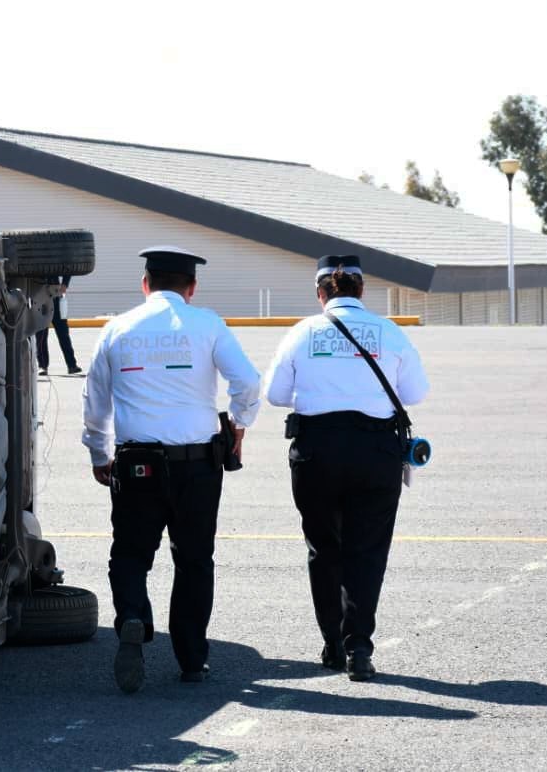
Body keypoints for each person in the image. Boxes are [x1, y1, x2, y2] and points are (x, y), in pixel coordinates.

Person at [82, 246, 261, 693]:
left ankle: (134, 618)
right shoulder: (207, 324)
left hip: (136, 463)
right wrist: (239, 422)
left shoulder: (117, 328)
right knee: (194, 560)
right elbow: (249, 382)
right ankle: (192, 660)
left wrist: (99, 454)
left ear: (145, 285)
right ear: (191, 287)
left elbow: (95, 401)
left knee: (130, 554)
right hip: (197, 465)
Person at [262, 255, 429, 682]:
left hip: (317, 450)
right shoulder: (390, 333)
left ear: (320, 293)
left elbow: (276, 395)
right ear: (361, 290)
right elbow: (416, 391)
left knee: (324, 549)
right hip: (376, 451)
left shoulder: (303, 332)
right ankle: (359, 647)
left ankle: (333, 644)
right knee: (367, 552)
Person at [35, 275, 83, 376]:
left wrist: (65, 284)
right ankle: (42, 366)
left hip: (56, 295)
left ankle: (72, 365)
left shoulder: (54, 259)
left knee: (63, 334)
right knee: (41, 334)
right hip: (41, 296)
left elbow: (68, 266)